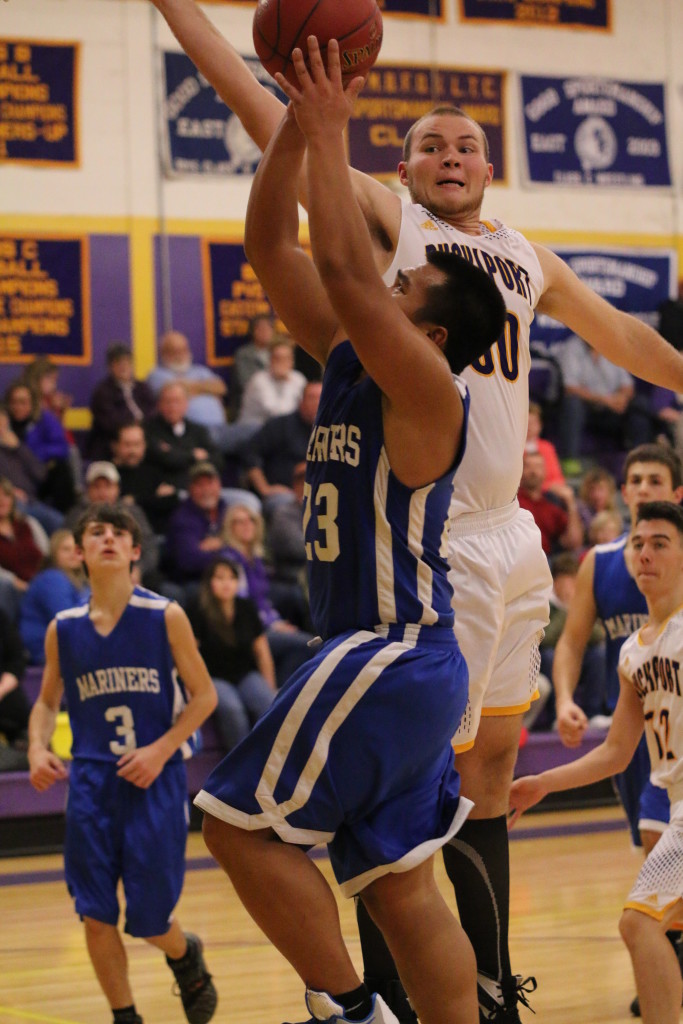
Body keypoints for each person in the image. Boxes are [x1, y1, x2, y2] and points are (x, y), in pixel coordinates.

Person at [147, 4, 683, 1017]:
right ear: (397, 176)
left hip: (484, 547)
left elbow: (618, 335)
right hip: (436, 558)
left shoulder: (518, 264)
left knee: (471, 781)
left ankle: (466, 989)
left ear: (490, 167)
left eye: (465, 142)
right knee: (406, 831)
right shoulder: (392, 244)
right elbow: (273, 158)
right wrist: (299, 109)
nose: (447, 152)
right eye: (427, 143)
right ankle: (411, 989)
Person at [194, 40, 506, 1024]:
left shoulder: (424, 385)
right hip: (406, 661)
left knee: (237, 827)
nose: (383, 281)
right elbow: (271, 250)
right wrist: (291, 132)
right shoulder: (348, 356)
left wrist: (328, 127)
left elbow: (337, 258)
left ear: (432, 333)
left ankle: (349, 1010)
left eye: (403, 287)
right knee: (401, 887)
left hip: (388, 650)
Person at [27, 502, 218, 1024]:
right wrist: (38, 748)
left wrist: (160, 750)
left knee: (151, 918)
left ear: (135, 551)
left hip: (154, 779)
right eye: (96, 532)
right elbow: (46, 702)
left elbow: (204, 697)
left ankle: (186, 954)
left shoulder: (165, 616)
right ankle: (125, 1016)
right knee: (93, 912)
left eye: (119, 533)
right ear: (79, 551)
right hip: (90, 782)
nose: (108, 538)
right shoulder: (63, 628)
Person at [510, 500, 683, 1024]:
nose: (645, 554)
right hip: (678, 809)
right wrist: (541, 783)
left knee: (640, 925)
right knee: (642, 927)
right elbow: (615, 752)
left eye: (660, 544)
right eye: (637, 543)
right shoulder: (633, 652)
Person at [188, 556, 276, 751]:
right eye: (219, 578)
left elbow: (262, 652)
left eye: (230, 578)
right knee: (233, 709)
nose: (226, 583)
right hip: (213, 677)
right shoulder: (199, 610)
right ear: (210, 582)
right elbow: (190, 654)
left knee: (267, 702)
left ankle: (270, 760)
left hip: (245, 674)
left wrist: (269, 686)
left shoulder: (246, 607)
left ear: (238, 582)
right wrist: (193, 689)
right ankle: (240, 765)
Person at [221, 502, 314, 687]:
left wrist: (277, 622)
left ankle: (282, 691)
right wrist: (272, 625)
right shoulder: (230, 560)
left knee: (305, 640)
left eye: (251, 521)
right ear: (229, 528)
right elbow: (243, 605)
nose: (247, 525)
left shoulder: (255, 558)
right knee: (307, 645)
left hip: (262, 623)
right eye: (239, 522)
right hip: (247, 631)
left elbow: (262, 601)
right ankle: (282, 694)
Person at [538, 552, 606, 730]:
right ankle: (556, 715)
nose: (570, 586)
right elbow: (545, 638)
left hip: (578, 657)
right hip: (552, 660)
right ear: (556, 582)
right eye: (566, 580)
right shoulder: (545, 604)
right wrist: (567, 610)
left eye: (573, 580)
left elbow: (598, 634)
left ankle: (593, 714)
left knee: (598, 654)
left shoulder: (584, 600)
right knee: (549, 655)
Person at [242, 379, 322, 516]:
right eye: (312, 398)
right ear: (301, 401)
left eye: (322, 398)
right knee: (284, 504)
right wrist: (265, 488)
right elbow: (250, 454)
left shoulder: (335, 431)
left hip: (323, 493)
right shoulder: (280, 425)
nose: (317, 403)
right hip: (286, 495)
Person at [5, 380, 76, 512]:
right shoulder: (3, 423)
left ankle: (69, 515)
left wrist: (31, 451)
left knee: (62, 469)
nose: (17, 407)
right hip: (13, 483)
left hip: (40, 475)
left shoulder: (44, 418)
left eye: (23, 402)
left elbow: (63, 448)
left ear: (32, 403)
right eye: (14, 402)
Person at [20, 529, 89, 664]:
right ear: (54, 553)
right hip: (43, 650)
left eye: (77, 549)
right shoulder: (52, 579)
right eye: (66, 549)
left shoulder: (82, 581)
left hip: (68, 646)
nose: (73, 554)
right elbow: (68, 619)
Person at [144, 382, 224, 490]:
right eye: (168, 402)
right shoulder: (149, 429)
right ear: (159, 405)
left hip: (203, 489)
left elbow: (218, 460)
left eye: (177, 401)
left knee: (245, 500)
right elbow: (166, 459)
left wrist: (174, 452)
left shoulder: (198, 430)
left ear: (186, 404)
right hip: (170, 490)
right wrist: (193, 455)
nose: (172, 407)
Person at [87, 343, 156, 460]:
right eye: (118, 363)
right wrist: (132, 428)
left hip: (143, 437)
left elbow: (152, 411)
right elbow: (109, 422)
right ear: (110, 367)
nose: (123, 367)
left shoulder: (142, 388)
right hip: (113, 441)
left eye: (127, 363)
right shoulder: (102, 392)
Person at [517, 449, 583, 557]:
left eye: (538, 466)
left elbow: (574, 542)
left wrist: (570, 503)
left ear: (545, 471)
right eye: (528, 466)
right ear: (520, 470)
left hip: (546, 561)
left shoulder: (551, 505)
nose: (533, 471)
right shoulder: (512, 501)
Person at [236, 337, 307, 427]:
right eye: (278, 358)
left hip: (280, 431)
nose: (282, 362)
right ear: (270, 360)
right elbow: (278, 414)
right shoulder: (259, 380)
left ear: (292, 360)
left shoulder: (299, 378)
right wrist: (286, 382)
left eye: (286, 358)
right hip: (252, 431)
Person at [230, 313, 275, 417]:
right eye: (260, 329)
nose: (265, 332)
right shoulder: (243, 354)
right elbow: (246, 383)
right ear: (252, 331)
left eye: (268, 328)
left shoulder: (278, 351)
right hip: (253, 404)